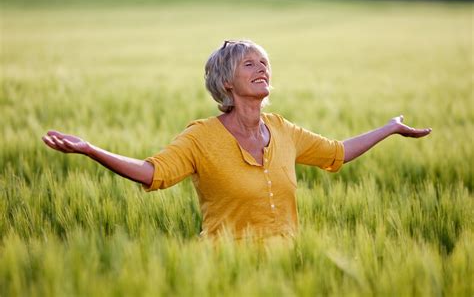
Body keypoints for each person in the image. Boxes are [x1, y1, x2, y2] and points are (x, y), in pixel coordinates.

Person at [42, 40, 431, 240]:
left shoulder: (282, 129)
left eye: (265, 63)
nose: (262, 68)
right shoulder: (200, 138)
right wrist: (90, 150)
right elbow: (151, 173)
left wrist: (390, 127)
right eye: (250, 63)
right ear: (227, 81)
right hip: (226, 277)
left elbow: (338, 153)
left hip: (286, 274)